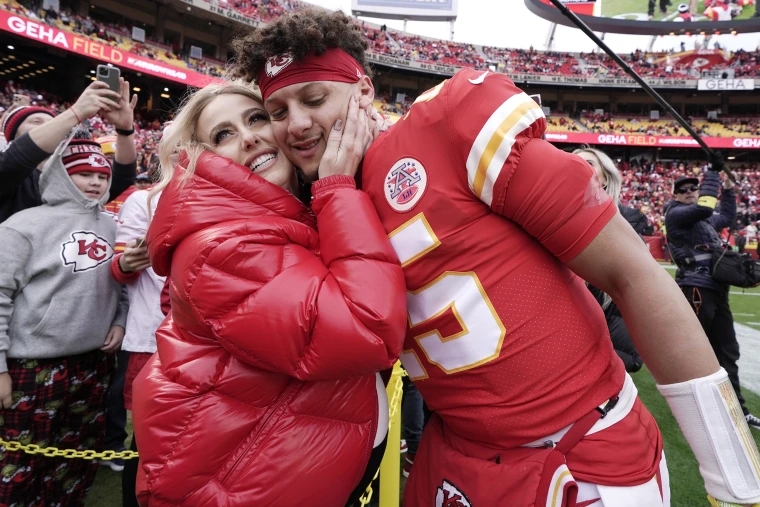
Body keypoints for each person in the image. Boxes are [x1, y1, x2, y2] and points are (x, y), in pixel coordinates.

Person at [231, 9, 760, 507]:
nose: (296, 124)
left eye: (315, 98)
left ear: (364, 89)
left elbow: (631, 271)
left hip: (576, 448)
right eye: (278, 111)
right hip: (453, 453)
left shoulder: (445, 127)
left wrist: (733, 479)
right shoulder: (314, 206)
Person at [131, 83, 407, 507]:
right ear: (202, 159)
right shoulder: (221, 247)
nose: (248, 136)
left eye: (256, 118)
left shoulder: (285, 217)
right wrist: (336, 187)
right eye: (222, 135)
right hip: (235, 485)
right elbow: (364, 327)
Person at [0, 132, 127, 506]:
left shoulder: (111, 225)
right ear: (57, 173)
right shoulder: (22, 225)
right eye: (83, 173)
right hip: (32, 366)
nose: (96, 182)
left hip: (93, 363)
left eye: (103, 176)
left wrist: (118, 320)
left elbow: (119, 283)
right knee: (21, 463)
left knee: (75, 458)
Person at [665, 172, 760, 428]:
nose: (689, 191)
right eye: (682, 189)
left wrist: (727, 189)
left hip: (717, 290)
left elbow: (727, 216)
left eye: (693, 188)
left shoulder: (704, 221)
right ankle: (687, 409)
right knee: (692, 352)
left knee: (728, 351)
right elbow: (706, 207)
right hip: (695, 289)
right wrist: (713, 173)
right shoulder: (675, 214)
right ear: (675, 195)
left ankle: (737, 411)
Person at [0, 79, 138, 223]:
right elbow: (16, 159)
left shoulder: (70, 178)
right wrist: (76, 112)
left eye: (51, 122)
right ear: (13, 136)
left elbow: (123, 177)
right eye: (36, 122)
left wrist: (125, 130)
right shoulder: (8, 174)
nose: (49, 127)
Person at [109, 187, 164, 507]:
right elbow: (119, 267)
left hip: (212, 338)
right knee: (148, 438)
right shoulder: (143, 199)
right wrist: (128, 262)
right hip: (153, 337)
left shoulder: (229, 193)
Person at [574, 147, 644, 373]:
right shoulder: (545, 217)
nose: (578, 166)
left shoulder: (628, 220)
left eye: (588, 163)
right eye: (573, 161)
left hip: (605, 322)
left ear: (605, 179)